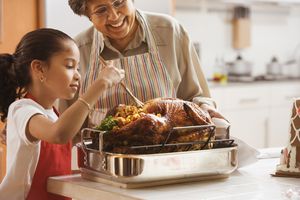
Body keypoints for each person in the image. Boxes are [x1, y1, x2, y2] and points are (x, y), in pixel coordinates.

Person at [0, 28, 124, 200]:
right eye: (69, 66)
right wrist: (101, 84)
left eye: (78, 68)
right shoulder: (22, 109)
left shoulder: (54, 114)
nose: (78, 76)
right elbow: (58, 134)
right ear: (39, 68)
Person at [65, 0, 226, 128]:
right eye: (101, 10)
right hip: (102, 160)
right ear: (87, 15)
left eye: (119, 2)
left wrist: (205, 108)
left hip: (169, 152)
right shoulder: (78, 49)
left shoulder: (170, 31)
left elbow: (197, 97)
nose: (114, 16)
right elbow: (67, 123)